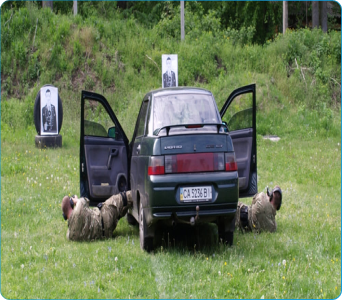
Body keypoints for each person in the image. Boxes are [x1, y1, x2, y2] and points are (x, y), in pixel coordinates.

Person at [61, 191, 132, 241]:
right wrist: (75, 199)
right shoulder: (78, 209)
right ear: (71, 204)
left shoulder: (70, 235)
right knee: (124, 197)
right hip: (105, 218)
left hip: (104, 234)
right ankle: (141, 196)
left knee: (121, 208)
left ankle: (132, 215)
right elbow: (86, 201)